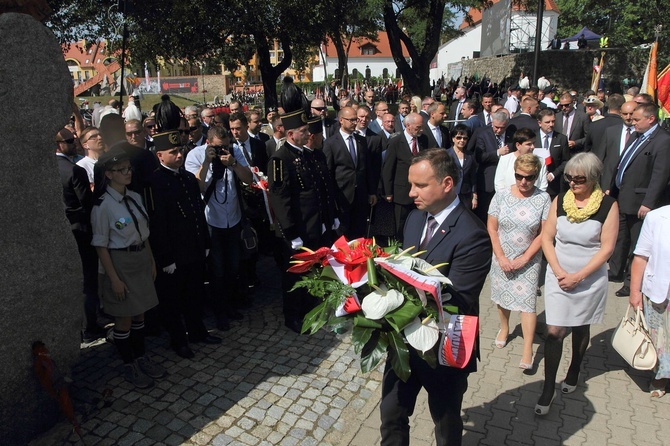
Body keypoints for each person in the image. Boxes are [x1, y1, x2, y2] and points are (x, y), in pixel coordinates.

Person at [380, 148, 492, 446]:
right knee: (391, 414)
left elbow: (460, 298)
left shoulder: (473, 234)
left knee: (445, 423)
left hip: (443, 346)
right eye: (410, 184)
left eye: (420, 185)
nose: (411, 192)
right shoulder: (416, 218)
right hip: (404, 341)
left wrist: (397, 302)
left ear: (446, 184)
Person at [535, 152, 618, 415]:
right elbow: (547, 238)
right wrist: (559, 271)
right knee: (554, 332)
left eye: (579, 179)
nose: (572, 182)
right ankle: (548, 387)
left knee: (581, 325)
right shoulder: (560, 201)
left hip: (588, 277)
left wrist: (578, 276)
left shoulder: (608, 206)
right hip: (559, 275)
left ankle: (575, 368)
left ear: (593, 178)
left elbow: (607, 249)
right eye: (569, 177)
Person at [91, 148, 166, 389]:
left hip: (141, 259)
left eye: (129, 168)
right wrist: (113, 279)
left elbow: (144, 234)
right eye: (121, 170)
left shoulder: (134, 197)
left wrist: (152, 260)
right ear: (109, 174)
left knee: (140, 312)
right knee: (124, 318)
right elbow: (101, 246)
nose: (127, 173)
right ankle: (128, 363)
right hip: (120, 264)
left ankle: (141, 356)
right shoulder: (102, 207)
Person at [146, 131, 221, 360]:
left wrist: (205, 242)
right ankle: (179, 340)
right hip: (174, 254)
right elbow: (157, 224)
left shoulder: (188, 178)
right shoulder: (154, 183)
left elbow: (198, 212)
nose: (179, 156)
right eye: (173, 152)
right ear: (160, 155)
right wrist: (165, 257)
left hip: (194, 248)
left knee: (194, 293)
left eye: (180, 151)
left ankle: (197, 331)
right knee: (173, 300)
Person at [267, 109, 337, 333]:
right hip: (296, 231)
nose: (308, 134)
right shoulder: (280, 159)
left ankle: (310, 310)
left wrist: (326, 219)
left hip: (313, 226)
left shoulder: (306, 155)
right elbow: (280, 198)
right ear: (290, 134)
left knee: (312, 272)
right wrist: (290, 232)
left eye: (308, 130)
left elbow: (317, 192)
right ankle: (293, 316)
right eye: (303, 130)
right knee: (294, 276)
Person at [488, 154, 550, 369]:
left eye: (529, 177)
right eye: (519, 176)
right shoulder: (501, 196)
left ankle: (527, 349)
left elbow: (544, 234)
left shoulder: (543, 199)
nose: (524, 182)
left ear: (537, 175)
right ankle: (504, 327)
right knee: (502, 297)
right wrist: (501, 257)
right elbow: (492, 228)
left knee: (527, 303)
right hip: (501, 257)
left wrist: (525, 258)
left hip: (529, 260)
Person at [609, 103, 670, 297]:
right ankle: (616, 271)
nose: (632, 122)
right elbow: (623, 164)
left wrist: (648, 202)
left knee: (637, 245)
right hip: (623, 196)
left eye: (636, 119)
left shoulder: (662, 141)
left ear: (650, 119)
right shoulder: (636, 136)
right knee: (621, 238)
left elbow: (660, 175)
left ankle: (632, 283)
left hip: (641, 202)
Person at [629, 205, 670, 397]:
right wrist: (634, 292)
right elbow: (641, 257)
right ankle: (660, 377)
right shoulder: (656, 217)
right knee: (660, 339)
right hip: (660, 292)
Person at [446, 124, 476, 209]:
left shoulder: (470, 155)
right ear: (453, 138)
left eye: (465, 138)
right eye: (459, 137)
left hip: (466, 194)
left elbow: (473, 176)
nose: (462, 140)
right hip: (450, 192)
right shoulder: (446, 154)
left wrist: (474, 196)